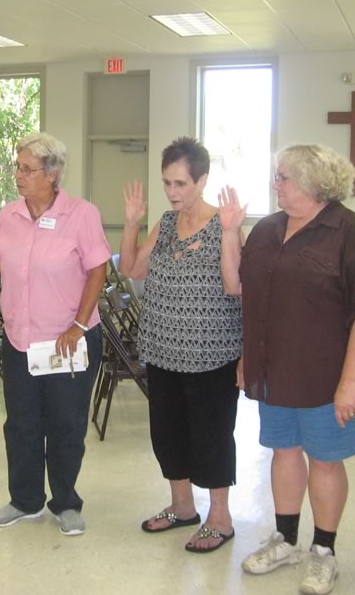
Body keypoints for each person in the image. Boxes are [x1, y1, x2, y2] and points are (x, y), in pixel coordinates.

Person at [220, 143, 355, 594]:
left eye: (284, 177)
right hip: (274, 369)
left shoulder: (351, 235)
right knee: (284, 452)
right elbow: (239, 288)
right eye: (277, 176)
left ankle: (324, 552)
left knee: (327, 463)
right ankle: (287, 540)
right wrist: (230, 232)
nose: (276, 184)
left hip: (327, 376)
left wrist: (349, 384)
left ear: (315, 184)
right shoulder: (269, 229)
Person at [0, 132, 110, 536]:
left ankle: (65, 502)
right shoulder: (9, 215)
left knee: (66, 423)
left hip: (67, 340)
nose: (18, 175)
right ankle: (25, 500)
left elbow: (98, 269)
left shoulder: (81, 214)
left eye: (27, 169)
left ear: (53, 174)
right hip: (20, 340)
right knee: (22, 423)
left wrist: (79, 324)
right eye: (17, 167)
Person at [120, 136, 243, 553]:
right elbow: (131, 267)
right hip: (163, 348)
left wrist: (230, 233)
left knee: (211, 435)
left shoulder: (223, 222)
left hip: (212, 353)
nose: (172, 193)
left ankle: (220, 518)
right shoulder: (167, 223)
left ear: (202, 180)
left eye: (181, 184)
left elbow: (234, 285)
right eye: (167, 183)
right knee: (168, 433)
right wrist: (133, 223)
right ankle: (182, 506)